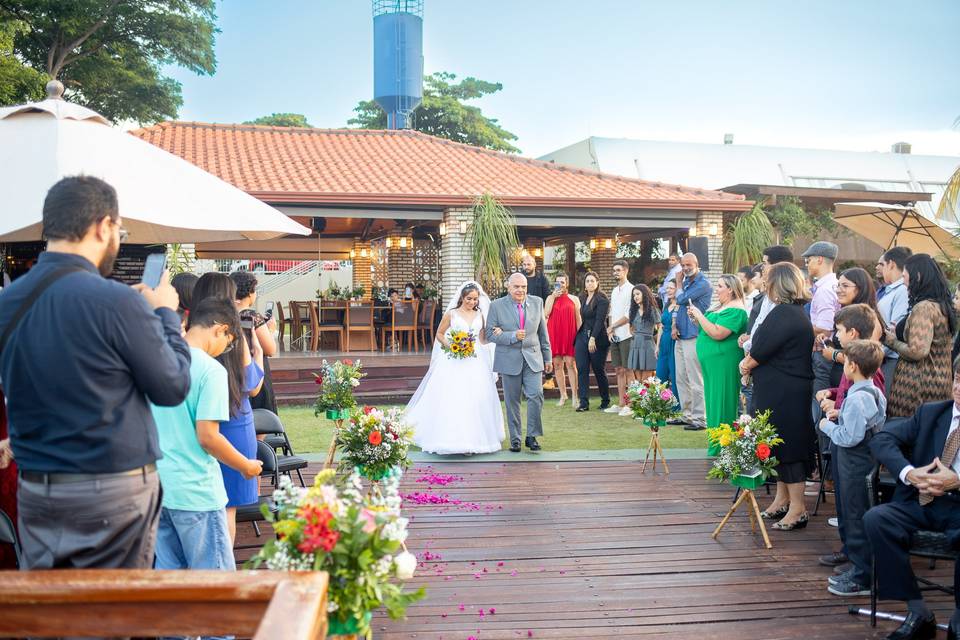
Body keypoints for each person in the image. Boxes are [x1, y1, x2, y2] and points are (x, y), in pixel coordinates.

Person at [0, 175, 191, 569]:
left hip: (37, 489)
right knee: (114, 615)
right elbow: (172, 387)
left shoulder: (7, 302)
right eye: (119, 231)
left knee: (55, 612)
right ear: (103, 226)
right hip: (113, 491)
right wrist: (164, 315)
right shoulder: (117, 302)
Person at [151, 298, 262, 588]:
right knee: (215, 591)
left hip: (159, 489)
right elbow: (208, 437)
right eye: (228, 343)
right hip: (196, 492)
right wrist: (245, 466)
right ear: (221, 329)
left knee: (170, 587)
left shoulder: (156, 361)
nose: (224, 350)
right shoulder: (211, 371)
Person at [864, 368, 960, 640]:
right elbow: (883, 439)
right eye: (957, 379)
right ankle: (918, 611)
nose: (959, 388)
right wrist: (909, 473)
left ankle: (959, 618)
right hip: (922, 500)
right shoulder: (932, 413)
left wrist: (957, 481)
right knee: (877, 519)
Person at [739, 262, 814, 531]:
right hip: (780, 388)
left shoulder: (785, 314)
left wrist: (746, 364)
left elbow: (760, 348)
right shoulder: (790, 312)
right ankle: (782, 499)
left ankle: (798, 508)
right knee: (778, 446)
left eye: (769, 281)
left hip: (786, 391)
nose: (765, 285)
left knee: (789, 447)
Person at [815, 304, 887, 573]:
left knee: (856, 507)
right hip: (849, 445)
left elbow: (855, 428)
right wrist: (835, 400)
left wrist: (828, 424)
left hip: (855, 453)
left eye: (840, 330)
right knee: (846, 505)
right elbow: (851, 399)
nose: (836, 334)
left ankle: (861, 566)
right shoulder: (858, 377)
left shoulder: (866, 384)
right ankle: (850, 551)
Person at [193, 273, 265, 542]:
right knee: (227, 509)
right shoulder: (234, 333)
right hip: (235, 423)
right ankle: (224, 569)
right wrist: (257, 355)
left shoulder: (189, 332)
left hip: (198, 422)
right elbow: (253, 386)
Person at [406, 281, 504, 455]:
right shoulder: (452, 314)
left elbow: (482, 339)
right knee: (454, 396)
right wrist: (452, 344)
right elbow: (439, 334)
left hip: (476, 360)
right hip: (454, 360)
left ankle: (473, 439)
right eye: (469, 299)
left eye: (475, 299)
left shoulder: (481, 315)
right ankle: (450, 437)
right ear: (462, 297)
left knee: (475, 397)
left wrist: (495, 335)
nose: (472, 302)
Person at [885, 253, 956, 419]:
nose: (903, 282)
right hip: (939, 385)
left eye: (904, 276)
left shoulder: (924, 308)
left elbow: (918, 351)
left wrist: (892, 341)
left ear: (917, 275)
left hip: (918, 390)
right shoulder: (940, 305)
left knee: (912, 439)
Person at [487, 273, 553, 452]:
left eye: (523, 287)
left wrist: (548, 357)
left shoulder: (537, 302)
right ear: (508, 287)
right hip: (509, 359)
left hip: (533, 357)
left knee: (536, 395)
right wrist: (511, 336)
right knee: (512, 401)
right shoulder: (496, 306)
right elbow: (490, 334)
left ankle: (532, 436)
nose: (520, 290)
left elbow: (542, 333)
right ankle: (515, 439)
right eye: (516, 287)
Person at [689, 274, 748, 454]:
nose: (717, 289)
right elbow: (707, 329)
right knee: (713, 399)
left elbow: (717, 333)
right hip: (713, 363)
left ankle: (723, 446)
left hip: (724, 362)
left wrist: (700, 315)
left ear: (731, 289)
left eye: (720, 286)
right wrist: (696, 319)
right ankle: (715, 442)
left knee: (722, 399)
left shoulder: (737, 310)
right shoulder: (721, 307)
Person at [671, 252, 712, 430]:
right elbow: (677, 307)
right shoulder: (687, 281)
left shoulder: (702, 283)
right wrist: (674, 325)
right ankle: (687, 415)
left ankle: (700, 418)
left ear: (697, 264)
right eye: (683, 265)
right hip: (680, 334)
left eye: (689, 265)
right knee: (681, 377)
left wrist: (678, 283)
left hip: (694, 334)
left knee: (695, 378)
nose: (685, 268)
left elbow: (680, 299)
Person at [230, 271, 279, 414]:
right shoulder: (252, 317)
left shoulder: (226, 315)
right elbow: (270, 349)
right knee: (261, 416)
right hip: (254, 370)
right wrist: (270, 330)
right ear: (250, 293)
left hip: (233, 371)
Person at [803, 241, 841, 424]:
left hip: (823, 352)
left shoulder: (826, 290)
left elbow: (825, 328)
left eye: (808, 260)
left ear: (819, 260)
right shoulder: (828, 286)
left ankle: (822, 449)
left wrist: (800, 326)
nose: (807, 264)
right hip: (825, 353)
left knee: (821, 407)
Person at [877, 247, 912, 394]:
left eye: (882, 264)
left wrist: (873, 355)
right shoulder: (891, 290)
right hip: (882, 356)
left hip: (890, 358)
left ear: (891, 264)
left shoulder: (902, 291)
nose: (879, 269)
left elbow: (895, 329)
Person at [545, 272, 582, 407]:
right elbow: (546, 313)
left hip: (570, 334)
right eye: (557, 282)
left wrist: (581, 335)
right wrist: (553, 297)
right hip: (554, 334)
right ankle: (563, 395)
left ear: (567, 283)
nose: (560, 284)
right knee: (558, 365)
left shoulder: (574, 299)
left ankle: (575, 396)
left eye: (562, 282)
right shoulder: (550, 297)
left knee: (571, 364)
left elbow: (578, 319)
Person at [575, 271, 611, 412]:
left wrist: (593, 338)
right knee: (582, 368)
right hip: (582, 336)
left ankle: (605, 399)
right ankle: (583, 403)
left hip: (598, 338)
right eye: (587, 281)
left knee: (598, 369)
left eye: (592, 281)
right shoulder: (582, 298)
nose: (590, 283)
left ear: (597, 283)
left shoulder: (602, 299)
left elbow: (599, 321)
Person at [606, 259, 634, 416]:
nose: (615, 272)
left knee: (628, 369)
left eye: (618, 270)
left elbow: (628, 315)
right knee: (618, 370)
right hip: (615, 336)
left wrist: (613, 326)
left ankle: (630, 404)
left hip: (627, 335)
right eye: (614, 270)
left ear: (626, 271)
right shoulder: (614, 291)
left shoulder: (631, 289)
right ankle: (621, 403)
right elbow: (611, 313)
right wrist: (610, 330)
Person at [626, 284, 660, 382]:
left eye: (637, 294)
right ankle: (639, 398)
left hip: (648, 345)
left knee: (647, 380)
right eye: (633, 295)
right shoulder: (633, 311)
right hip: (635, 345)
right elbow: (631, 329)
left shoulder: (653, 310)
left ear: (644, 294)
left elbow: (660, 327)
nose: (635, 297)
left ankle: (648, 397)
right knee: (638, 380)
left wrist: (657, 346)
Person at [655, 280, 681, 406]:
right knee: (660, 375)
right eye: (667, 288)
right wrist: (657, 345)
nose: (668, 290)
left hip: (675, 342)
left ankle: (677, 406)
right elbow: (661, 326)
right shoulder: (666, 305)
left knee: (675, 375)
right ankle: (660, 405)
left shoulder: (681, 306)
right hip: (664, 342)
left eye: (671, 288)